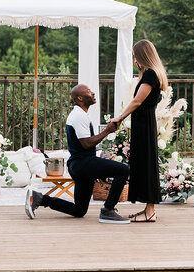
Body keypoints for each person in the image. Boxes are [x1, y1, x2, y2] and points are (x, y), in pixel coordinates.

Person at [25, 84, 130, 224]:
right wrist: (107, 131)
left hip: (80, 165)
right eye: (88, 91)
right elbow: (86, 144)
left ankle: (40, 199)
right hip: (84, 164)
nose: (93, 93)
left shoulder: (80, 114)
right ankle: (108, 210)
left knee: (79, 210)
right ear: (80, 98)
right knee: (123, 170)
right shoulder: (78, 116)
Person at [110, 40, 168, 222]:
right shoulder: (150, 73)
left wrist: (119, 118)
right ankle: (147, 209)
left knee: (147, 166)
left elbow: (137, 101)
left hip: (144, 125)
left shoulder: (150, 74)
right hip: (143, 123)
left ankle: (150, 212)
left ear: (142, 56)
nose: (135, 60)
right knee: (143, 164)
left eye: (136, 57)